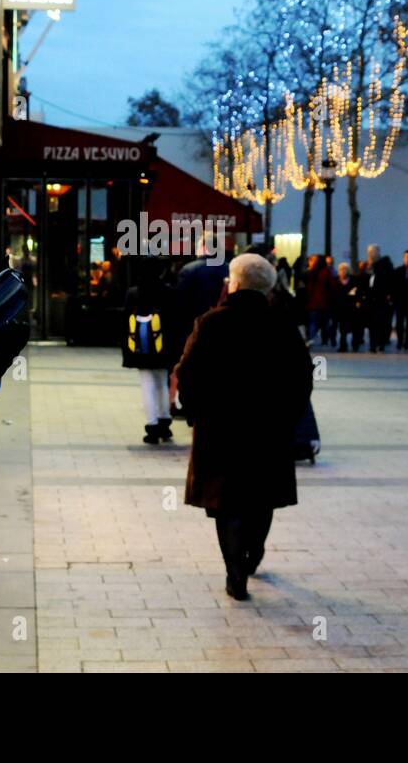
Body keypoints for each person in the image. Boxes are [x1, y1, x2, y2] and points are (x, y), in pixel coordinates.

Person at [175, 254, 314, 601]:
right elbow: (302, 378)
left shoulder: (210, 323)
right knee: (261, 497)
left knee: (227, 502)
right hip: (269, 431)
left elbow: (188, 374)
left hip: (219, 430)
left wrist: (195, 412)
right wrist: (289, 417)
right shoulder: (282, 325)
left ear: (234, 283)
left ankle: (234, 569)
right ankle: (254, 551)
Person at [122, 257, 177, 444]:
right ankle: (164, 421)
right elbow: (174, 323)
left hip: (141, 348)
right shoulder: (168, 292)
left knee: (147, 384)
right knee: (162, 381)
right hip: (163, 347)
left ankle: (152, 425)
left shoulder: (133, 293)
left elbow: (125, 322)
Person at [364, 245, 395, 352]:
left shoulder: (384, 264)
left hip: (381, 298)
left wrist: (389, 295)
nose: (370, 254)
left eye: (372, 252)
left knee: (381, 322)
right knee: (371, 323)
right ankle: (372, 344)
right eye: (369, 252)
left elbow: (389, 280)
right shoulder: (367, 265)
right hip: (370, 298)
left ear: (377, 252)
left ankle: (380, 343)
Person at [305, 254, 335, 347]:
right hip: (324, 302)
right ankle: (325, 340)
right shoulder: (326, 272)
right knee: (325, 323)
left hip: (313, 302)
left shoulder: (312, 272)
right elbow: (332, 286)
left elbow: (308, 288)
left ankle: (311, 338)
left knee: (313, 322)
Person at [333, 261, 362, 352]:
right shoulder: (336, 282)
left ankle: (355, 345)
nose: (342, 271)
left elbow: (358, 293)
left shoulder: (354, 280)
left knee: (354, 328)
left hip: (352, 308)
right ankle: (343, 346)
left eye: (344, 269)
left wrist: (358, 301)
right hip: (341, 309)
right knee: (342, 329)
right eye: (341, 270)